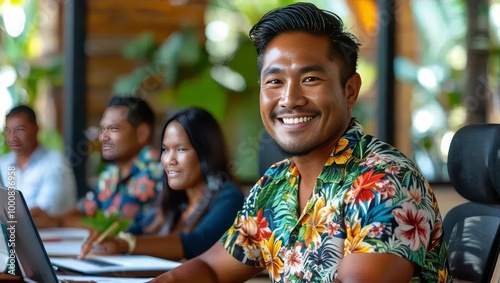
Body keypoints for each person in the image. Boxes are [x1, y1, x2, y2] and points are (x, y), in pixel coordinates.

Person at [149, 3, 452, 283]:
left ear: (350, 90)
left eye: (310, 79)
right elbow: (211, 269)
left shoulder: (383, 180)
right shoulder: (275, 184)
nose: (290, 99)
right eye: (275, 81)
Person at [78, 107, 245, 261]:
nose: (169, 160)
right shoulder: (175, 199)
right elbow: (141, 229)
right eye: (165, 149)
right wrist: (108, 237)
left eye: (181, 149)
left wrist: (126, 243)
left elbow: (198, 242)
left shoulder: (229, 198)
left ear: (206, 153)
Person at [31, 96, 163, 234]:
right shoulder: (112, 171)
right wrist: (49, 219)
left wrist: (58, 222)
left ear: (142, 133)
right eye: (102, 129)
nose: (102, 137)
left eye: (113, 128)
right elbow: (84, 210)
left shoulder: (155, 170)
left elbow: (115, 229)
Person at [0, 105, 77, 215]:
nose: (13, 138)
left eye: (20, 130)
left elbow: (43, 214)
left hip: (51, 232)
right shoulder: (3, 163)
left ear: (36, 128)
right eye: (8, 131)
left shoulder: (55, 162)